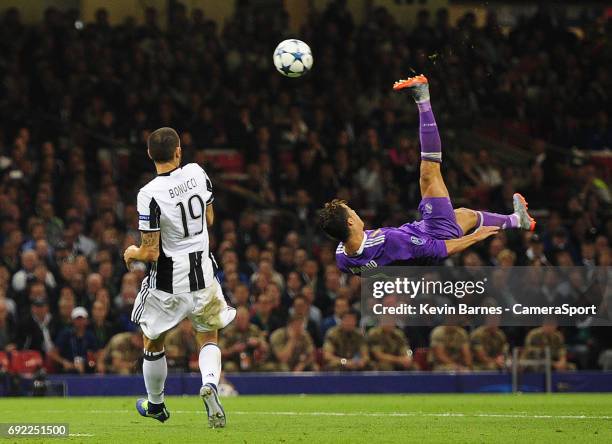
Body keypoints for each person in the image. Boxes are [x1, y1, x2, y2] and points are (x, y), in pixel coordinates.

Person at [318, 75, 535, 275]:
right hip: (435, 236)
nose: (356, 212)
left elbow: (369, 267)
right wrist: (475, 238)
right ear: (349, 223)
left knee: (466, 215)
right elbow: (440, 250)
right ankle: (422, 96)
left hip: (420, 234)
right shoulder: (391, 243)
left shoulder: (342, 258)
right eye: (352, 212)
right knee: (429, 172)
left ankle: (517, 220)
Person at [123, 127, 236, 427]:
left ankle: (156, 405)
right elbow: (210, 219)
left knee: (152, 339)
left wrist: (131, 252)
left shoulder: (148, 194)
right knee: (208, 335)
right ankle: (210, 384)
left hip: (168, 283)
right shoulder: (198, 173)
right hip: (204, 276)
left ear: (150, 154)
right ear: (178, 151)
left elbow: (150, 252)